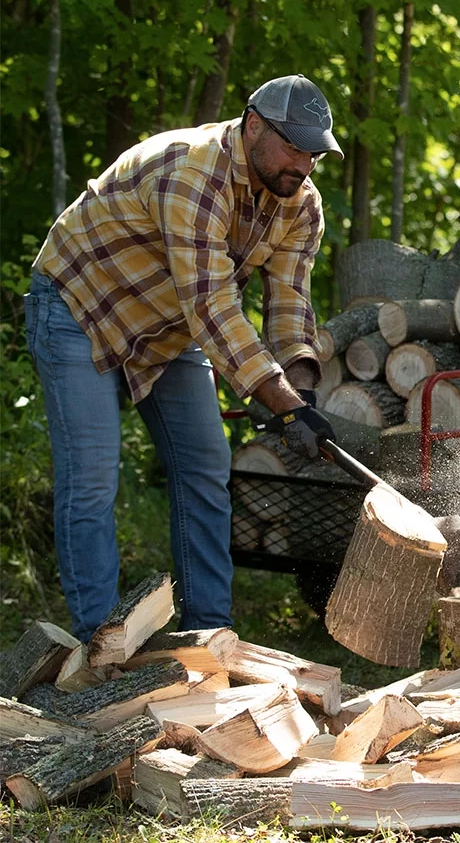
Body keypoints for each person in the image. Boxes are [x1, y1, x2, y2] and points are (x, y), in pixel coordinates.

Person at [24, 74, 339, 642]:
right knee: (94, 479)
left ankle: (210, 638)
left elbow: (289, 301)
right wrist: (278, 401)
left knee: (205, 468)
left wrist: (302, 391)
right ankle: (100, 648)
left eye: (313, 152)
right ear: (253, 126)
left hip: (168, 325)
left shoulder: (301, 204)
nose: (304, 164)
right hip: (81, 306)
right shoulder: (193, 171)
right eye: (293, 147)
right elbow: (214, 307)